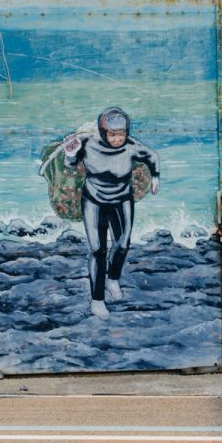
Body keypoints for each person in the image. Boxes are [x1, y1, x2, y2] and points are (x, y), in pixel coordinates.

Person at [61, 107, 160, 318]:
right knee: (98, 250)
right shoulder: (88, 143)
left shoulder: (132, 147)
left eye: (121, 134)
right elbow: (70, 164)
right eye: (113, 135)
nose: (117, 139)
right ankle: (97, 300)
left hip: (122, 199)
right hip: (94, 201)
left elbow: (152, 156)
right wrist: (70, 151)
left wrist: (155, 177)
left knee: (123, 243)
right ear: (103, 132)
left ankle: (112, 279)